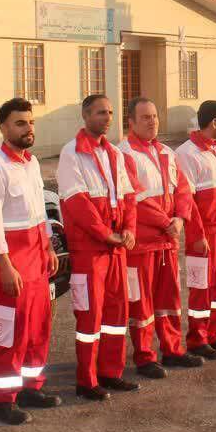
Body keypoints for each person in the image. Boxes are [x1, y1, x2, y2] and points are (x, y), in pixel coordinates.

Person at [0, 98, 63, 424]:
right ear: (3, 128)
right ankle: (2, 401)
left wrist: (49, 248)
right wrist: (4, 265)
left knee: (38, 331)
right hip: (11, 264)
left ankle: (30, 388)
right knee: (8, 336)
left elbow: (39, 212)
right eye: (20, 123)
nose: (28, 129)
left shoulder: (31, 164)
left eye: (31, 122)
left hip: (37, 261)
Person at [57, 94, 139, 400]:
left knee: (117, 313)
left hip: (116, 247)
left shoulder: (114, 154)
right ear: (85, 115)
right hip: (90, 250)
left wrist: (128, 229)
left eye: (110, 112)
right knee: (89, 316)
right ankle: (86, 380)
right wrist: (106, 234)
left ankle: (110, 372)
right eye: (100, 113)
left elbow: (129, 197)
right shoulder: (72, 153)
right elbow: (77, 203)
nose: (107, 118)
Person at [118, 97, 204, 378]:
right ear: (130, 122)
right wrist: (166, 221)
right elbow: (135, 197)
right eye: (145, 117)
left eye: (154, 116)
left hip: (168, 241)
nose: (152, 121)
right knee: (141, 304)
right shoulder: (124, 153)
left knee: (169, 299)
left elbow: (183, 190)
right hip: (141, 245)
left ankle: (172, 349)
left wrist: (179, 220)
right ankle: (144, 357)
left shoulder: (168, 152)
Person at [175, 100, 216, 360]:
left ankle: (214, 335)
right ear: (214, 122)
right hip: (205, 236)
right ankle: (197, 339)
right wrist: (198, 236)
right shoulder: (187, 154)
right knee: (201, 288)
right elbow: (186, 200)